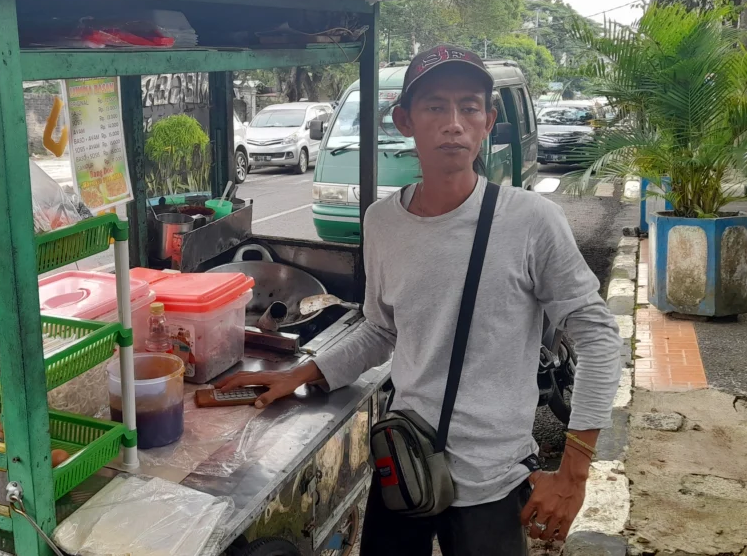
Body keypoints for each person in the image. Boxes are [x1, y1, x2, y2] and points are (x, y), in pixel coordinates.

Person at [217, 45, 622, 554]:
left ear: (488, 120)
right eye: (435, 106)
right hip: (404, 463)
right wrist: (297, 374)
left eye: (469, 106)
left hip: (492, 483)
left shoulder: (531, 221)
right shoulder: (382, 222)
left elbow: (600, 338)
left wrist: (574, 471)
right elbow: (381, 328)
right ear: (405, 120)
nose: (454, 122)